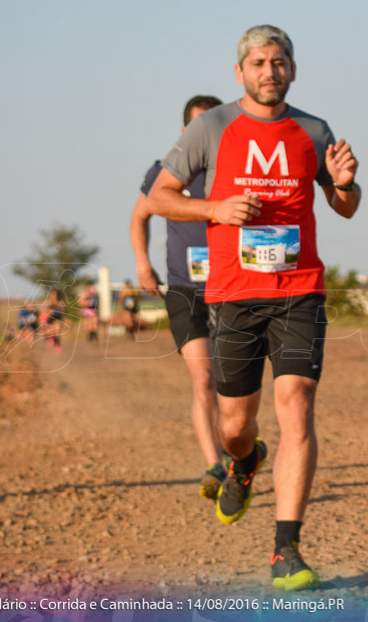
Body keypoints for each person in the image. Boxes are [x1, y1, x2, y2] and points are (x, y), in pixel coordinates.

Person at [147, 24, 360, 591]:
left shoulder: (314, 130)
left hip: (299, 289)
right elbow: (159, 197)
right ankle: (244, 461)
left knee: (297, 405)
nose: (271, 70)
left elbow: (344, 208)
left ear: (292, 68)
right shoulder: (210, 127)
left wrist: (344, 185)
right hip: (234, 294)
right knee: (235, 424)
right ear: (239, 71)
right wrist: (215, 208)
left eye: (280, 60)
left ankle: (286, 551)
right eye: (259, 62)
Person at [129, 93, 229, 501]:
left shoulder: (232, 170)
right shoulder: (164, 172)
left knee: (230, 381)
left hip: (230, 286)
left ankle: (238, 449)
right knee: (203, 379)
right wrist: (142, 265)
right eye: (200, 125)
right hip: (184, 288)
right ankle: (215, 465)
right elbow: (140, 216)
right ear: (185, 130)